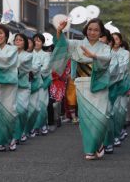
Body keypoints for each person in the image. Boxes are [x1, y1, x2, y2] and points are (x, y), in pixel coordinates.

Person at [53, 18, 112, 160]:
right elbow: (62, 44)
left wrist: (94, 56)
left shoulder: (104, 47)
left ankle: (99, 142)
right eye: (90, 29)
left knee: (101, 118)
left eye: (96, 30)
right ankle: (90, 149)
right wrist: (59, 30)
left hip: (99, 85)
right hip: (82, 83)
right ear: (86, 30)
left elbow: (107, 59)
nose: (92, 32)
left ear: (101, 32)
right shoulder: (77, 44)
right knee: (86, 119)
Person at [0, 25, 19, 152]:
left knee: (10, 112)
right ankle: (1, 140)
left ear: (6, 35)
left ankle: (12, 137)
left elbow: (6, 61)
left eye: (1, 33)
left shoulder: (13, 49)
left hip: (10, 84)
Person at [13, 33, 33, 143]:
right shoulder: (10, 53)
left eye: (21, 40)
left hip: (23, 86)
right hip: (11, 86)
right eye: (16, 40)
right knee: (13, 111)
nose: (18, 42)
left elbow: (19, 66)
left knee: (22, 110)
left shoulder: (28, 55)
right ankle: (16, 135)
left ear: (24, 42)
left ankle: (23, 130)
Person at [32, 33, 52, 136]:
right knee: (33, 105)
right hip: (32, 82)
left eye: (39, 41)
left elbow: (46, 68)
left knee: (43, 104)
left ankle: (43, 124)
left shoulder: (46, 55)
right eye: (35, 40)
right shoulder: (29, 54)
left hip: (42, 82)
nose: (36, 42)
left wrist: (35, 70)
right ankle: (34, 126)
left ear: (43, 43)